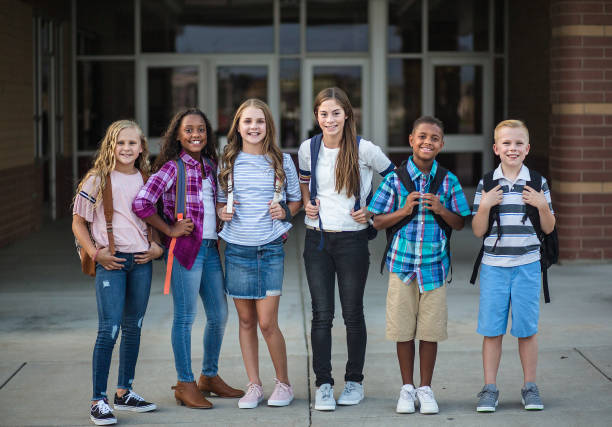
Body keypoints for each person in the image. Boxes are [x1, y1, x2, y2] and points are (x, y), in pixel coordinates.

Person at [133, 108, 243, 409]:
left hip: (209, 250)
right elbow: (142, 202)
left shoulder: (210, 165)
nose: (196, 135)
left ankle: (209, 376)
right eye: (189, 130)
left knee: (219, 315)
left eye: (201, 130)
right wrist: (169, 228)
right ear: (178, 136)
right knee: (184, 318)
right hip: (185, 251)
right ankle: (185, 382)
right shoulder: (171, 168)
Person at [298, 87, 394, 411]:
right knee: (322, 316)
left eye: (336, 113)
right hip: (318, 240)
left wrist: (373, 211)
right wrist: (308, 203)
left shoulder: (364, 149)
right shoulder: (308, 148)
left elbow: (395, 179)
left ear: (347, 115)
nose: (330, 119)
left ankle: (355, 381)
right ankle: (323, 384)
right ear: (316, 117)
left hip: (353, 240)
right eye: (324, 114)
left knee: (353, 315)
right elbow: (305, 181)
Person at [368, 116, 470, 415]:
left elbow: (461, 222)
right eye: (422, 136)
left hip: (435, 268)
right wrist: (404, 210)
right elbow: (376, 220)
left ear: (442, 144)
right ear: (411, 139)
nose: (428, 141)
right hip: (402, 267)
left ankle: (426, 388)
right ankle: (407, 387)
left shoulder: (448, 181)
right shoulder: (395, 179)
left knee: (430, 331)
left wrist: (441, 208)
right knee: (403, 331)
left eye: (434, 138)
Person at [73, 120, 162, 425]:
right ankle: (98, 398)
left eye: (132, 143)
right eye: (120, 143)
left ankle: (124, 392)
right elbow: (77, 223)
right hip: (111, 261)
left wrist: (156, 247)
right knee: (108, 329)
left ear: (142, 147)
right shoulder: (97, 179)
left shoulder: (147, 178)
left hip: (141, 261)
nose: (126, 148)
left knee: (133, 327)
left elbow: (154, 220)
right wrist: (97, 253)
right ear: (110, 146)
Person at [216, 98, 302, 409]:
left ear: (269, 127)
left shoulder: (282, 161)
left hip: (270, 248)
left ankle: (284, 383)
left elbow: (296, 202)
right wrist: (220, 213)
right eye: (248, 121)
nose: (254, 127)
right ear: (238, 127)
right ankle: (254, 385)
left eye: (260, 121)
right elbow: (218, 202)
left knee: (267, 322)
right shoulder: (227, 163)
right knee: (246, 320)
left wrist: (284, 212)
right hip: (237, 248)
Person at [471, 119, 555, 413]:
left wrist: (542, 205)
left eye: (519, 143)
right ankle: (489, 388)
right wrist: (485, 206)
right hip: (494, 267)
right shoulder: (487, 183)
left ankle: (529, 386)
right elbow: (478, 231)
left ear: (527, 148)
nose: (513, 148)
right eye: (506, 143)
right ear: (496, 148)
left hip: (527, 266)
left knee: (526, 330)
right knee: (492, 330)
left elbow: (549, 227)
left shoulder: (537, 182)